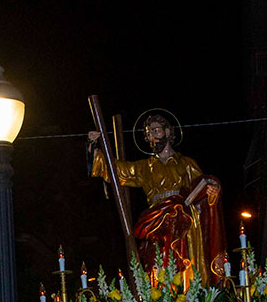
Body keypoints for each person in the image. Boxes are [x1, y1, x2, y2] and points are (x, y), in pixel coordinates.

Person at [87, 110, 226, 281]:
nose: (152, 136)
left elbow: (201, 190)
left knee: (183, 262)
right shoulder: (145, 167)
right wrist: (93, 146)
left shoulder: (186, 164)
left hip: (182, 224)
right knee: (157, 263)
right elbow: (116, 170)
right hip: (156, 222)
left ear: (167, 132)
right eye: (148, 134)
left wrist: (211, 192)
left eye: (156, 130)